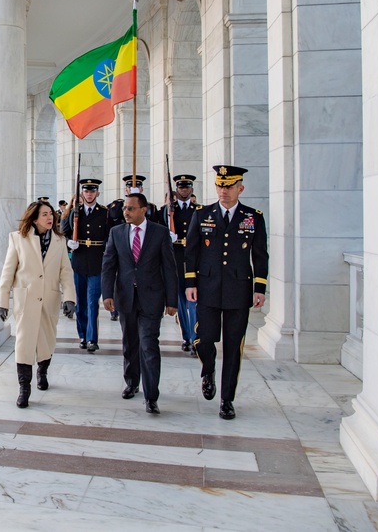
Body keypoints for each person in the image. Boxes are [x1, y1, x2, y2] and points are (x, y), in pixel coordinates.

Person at [185, 165, 268, 420]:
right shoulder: (203, 214)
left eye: (229, 186)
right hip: (207, 288)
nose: (223, 190)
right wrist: (190, 283)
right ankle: (208, 369)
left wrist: (260, 288)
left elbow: (260, 254)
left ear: (240, 188)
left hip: (238, 290)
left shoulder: (253, 217)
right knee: (205, 338)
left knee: (234, 347)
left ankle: (226, 399)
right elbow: (191, 250)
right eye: (220, 185)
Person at [101, 193, 179, 413]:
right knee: (130, 344)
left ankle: (151, 395)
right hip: (125, 298)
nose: (126, 212)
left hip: (152, 298)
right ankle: (132, 382)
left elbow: (169, 268)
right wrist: (107, 294)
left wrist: (172, 300)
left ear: (143, 210)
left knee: (149, 345)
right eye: (125, 208)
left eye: (131, 208)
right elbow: (108, 265)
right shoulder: (116, 233)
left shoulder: (160, 233)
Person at [0, 200, 77, 408]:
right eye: (44, 214)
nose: (50, 217)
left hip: (49, 299)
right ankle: (24, 388)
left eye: (51, 213)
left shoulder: (60, 241)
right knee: (23, 344)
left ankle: (43, 370)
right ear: (34, 218)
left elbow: (65, 272)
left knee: (46, 342)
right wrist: (2, 301)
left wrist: (69, 297)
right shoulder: (17, 239)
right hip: (26, 299)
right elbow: (8, 271)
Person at [61, 179, 111, 352]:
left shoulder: (105, 213)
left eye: (92, 191)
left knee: (92, 302)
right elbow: (63, 233)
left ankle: (92, 338)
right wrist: (69, 243)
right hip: (79, 262)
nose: (89, 194)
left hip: (97, 262)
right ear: (82, 193)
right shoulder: (75, 213)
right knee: (81, 302)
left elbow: (109, 236)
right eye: (86, 191)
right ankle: (82, 334)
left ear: (97, 193)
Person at [160, 174, 198, 353]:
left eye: (187, 187)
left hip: (193, 260)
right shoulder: (165, 211)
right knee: (181, 302)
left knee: (194, 301)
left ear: (191, 189)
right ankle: (187, 337)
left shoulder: (200, 210)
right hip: (175, 258)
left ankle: (196, 336)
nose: (184, 190)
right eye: (181, 187)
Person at [105, 174, 146, 320]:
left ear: (141, 188)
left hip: (141, 250)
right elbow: (114, 217)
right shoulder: (117, 205)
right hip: (121, 248)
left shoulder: (149, 207)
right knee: (120, 279)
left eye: (136, 186)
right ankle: (116, 308)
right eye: (129, 187)